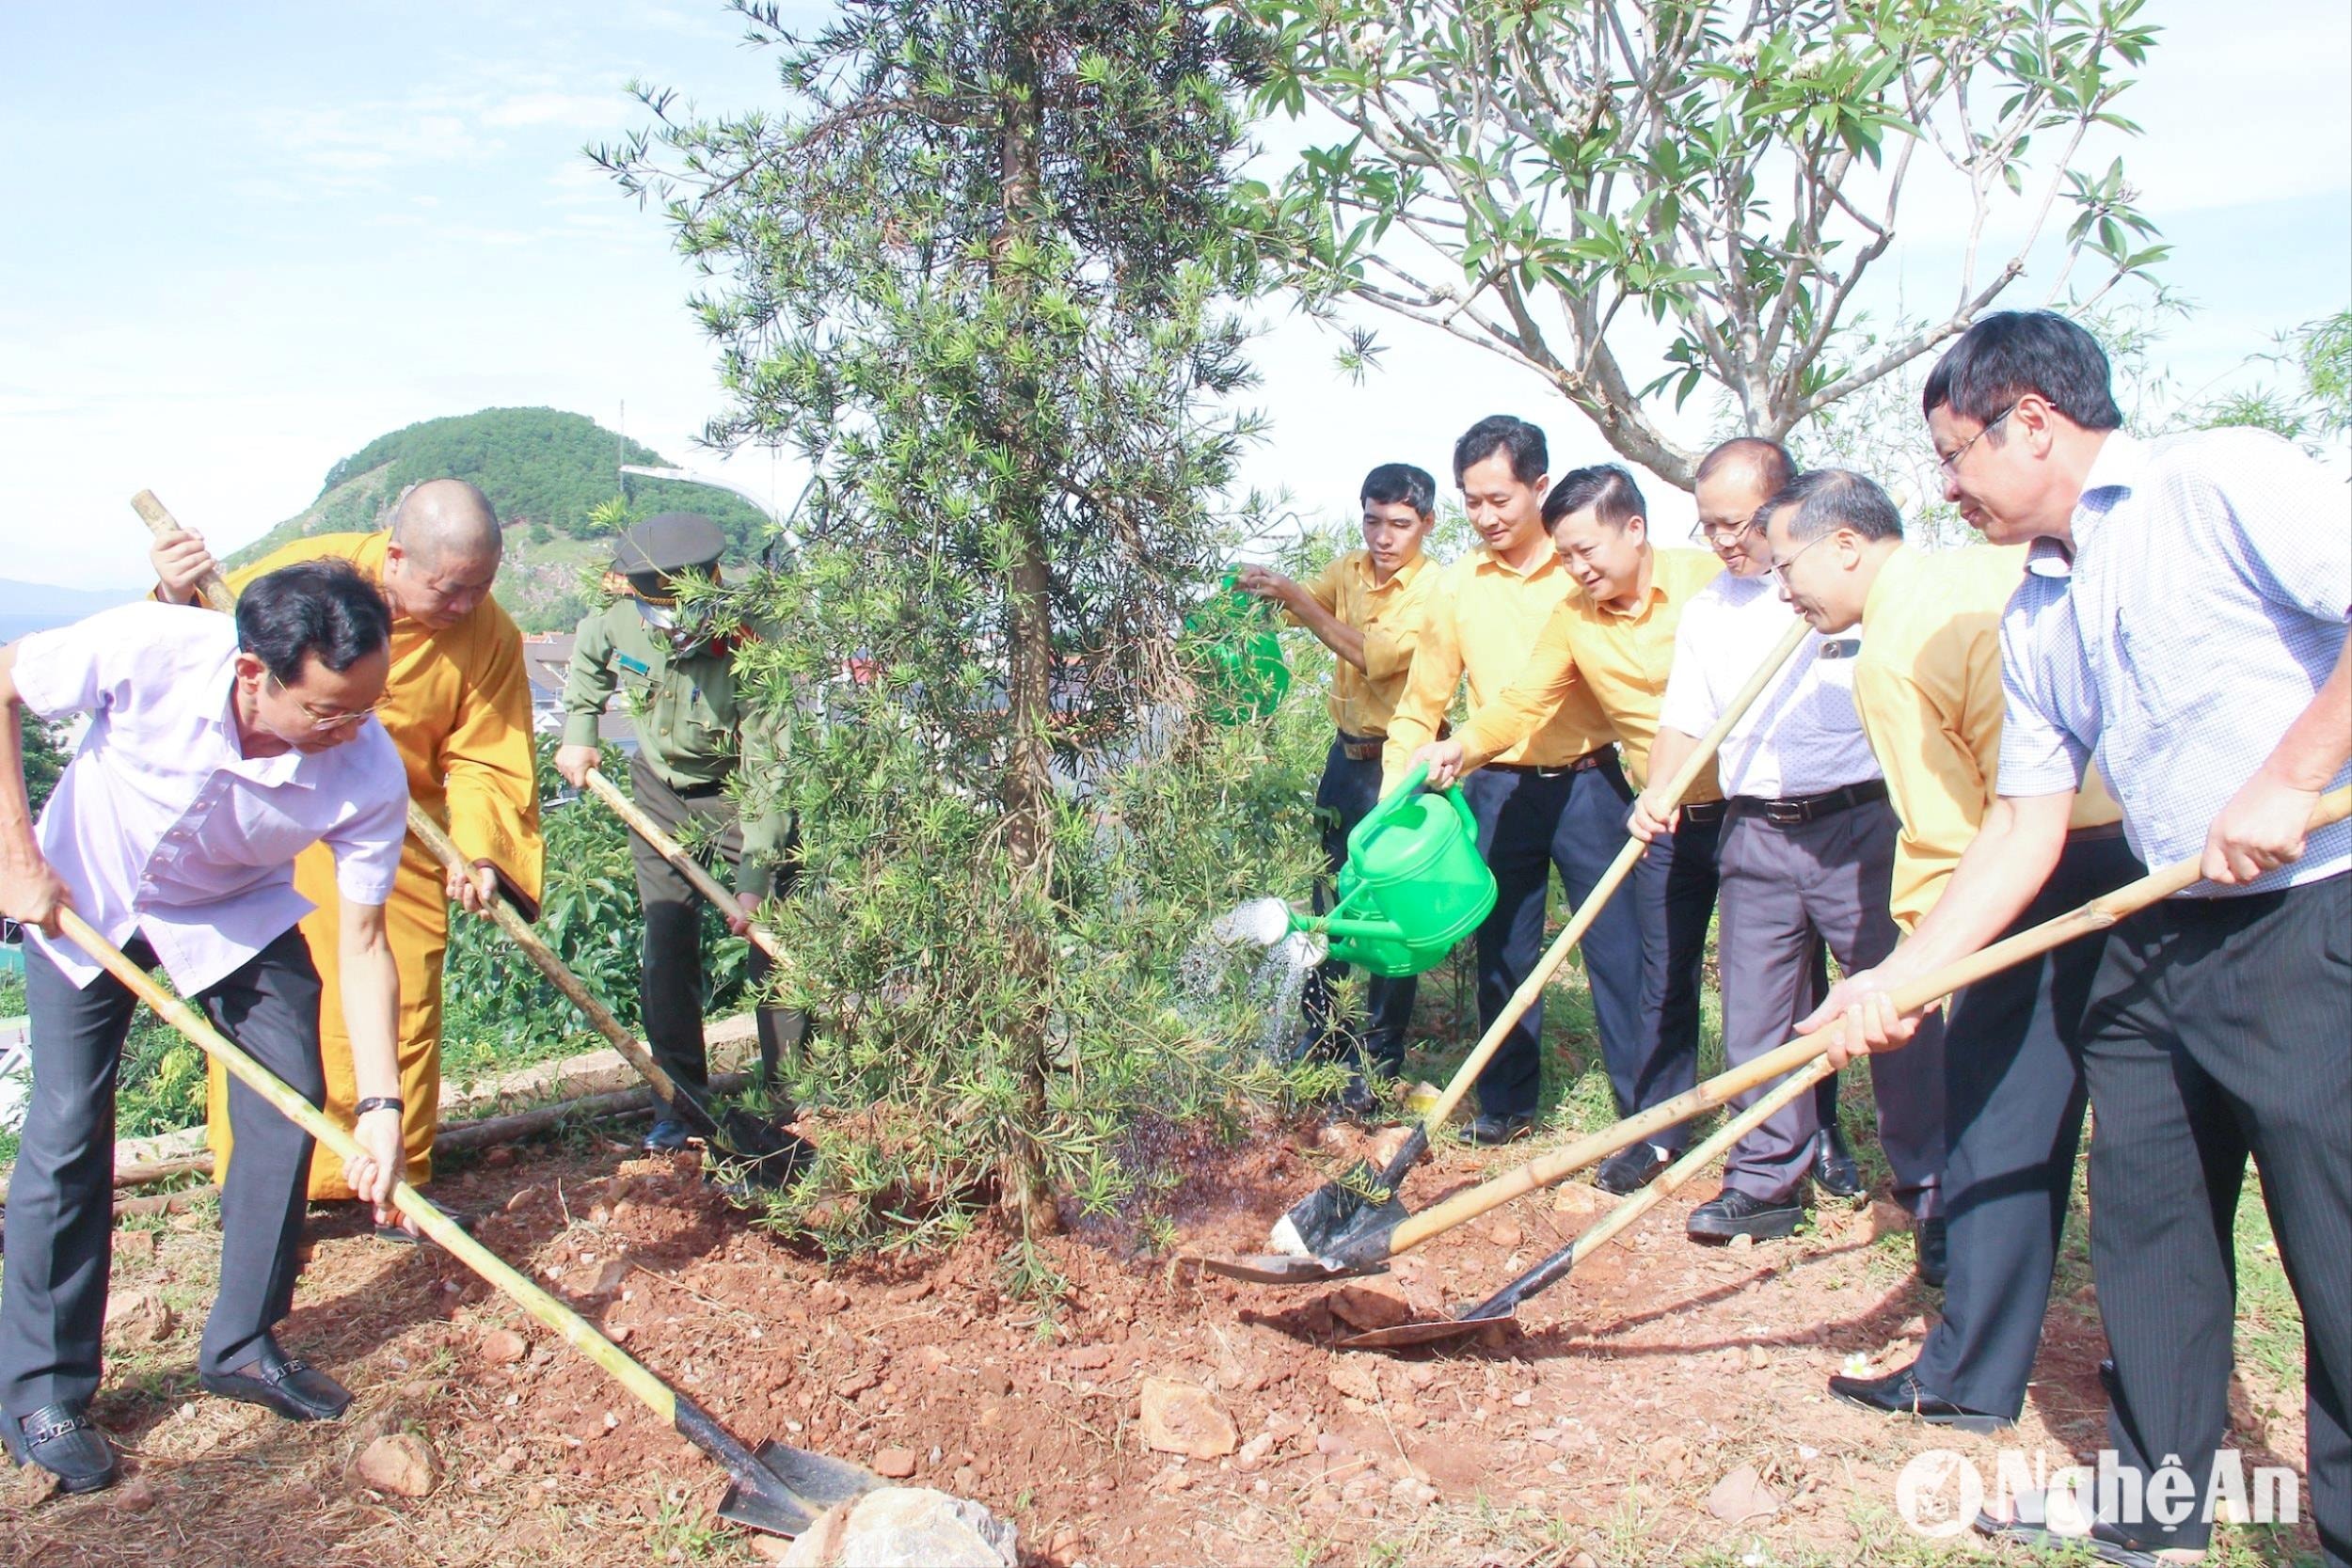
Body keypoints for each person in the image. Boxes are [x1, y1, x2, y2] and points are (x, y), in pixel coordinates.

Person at [1807, 311, 2349, 1565]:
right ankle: (2159, 1502)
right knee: (2149, 1221)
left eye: (1955, 456)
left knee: (2333, 1233)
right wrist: (1902, 974)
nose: (1944, 489)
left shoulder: (2218, 481)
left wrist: (2289, 774)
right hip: (2158, 930)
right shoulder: (2038, 609)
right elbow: (2020, 827)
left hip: (2312, 913)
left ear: (2033, 422)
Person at [0, 564, 413, 1494]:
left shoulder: (367, 766)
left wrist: (381, 1103)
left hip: (231, 909)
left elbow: (364, 940)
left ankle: (240, 1339)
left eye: (364, 708)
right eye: (327, 711)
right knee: (68, 1123)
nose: (349, 730)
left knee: (289, 1095)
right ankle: (42, 1389)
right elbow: (1, 679)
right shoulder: (149, 648)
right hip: (85, 892)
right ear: (252, 673)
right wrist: (15, 856)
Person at [1763, 463, 2132, 1390]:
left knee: (1997, 1126)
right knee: (2139, 1135)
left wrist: (1918, 975)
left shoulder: (1893, 649)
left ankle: (1964, 1376)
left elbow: (1946, 834)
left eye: (1785, 565)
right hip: (2134, 853)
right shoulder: (1987, 568)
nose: (1781, 589)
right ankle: (2153, 1363)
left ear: (1845, 544)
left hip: (2028, 874)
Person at [151, 480, 542, 1233]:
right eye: (450, 589)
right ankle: (273, 1189)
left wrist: (481, 852)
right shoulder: (307, 576)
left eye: (482, 588)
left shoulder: (490, 633)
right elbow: (209, 650)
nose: (466, 606)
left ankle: (388, 1178)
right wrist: (173, 592)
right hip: (280, 832)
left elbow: (488, 755)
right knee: (281, 1014)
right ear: (395, 556)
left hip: (396, 843)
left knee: (401, 1006)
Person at [1630, 439, 1918, 1236]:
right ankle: (1764, 1182)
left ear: (1784, 509)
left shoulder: (1844, 597)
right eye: (1708, 524)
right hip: (1754, 830)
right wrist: (1660, 792)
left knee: (1894, 1005)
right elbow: (1685, 721)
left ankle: (1931, 1189)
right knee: (1755, 1018)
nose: (1724, 540)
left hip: (1857, 826)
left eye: (1738, 523)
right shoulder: (1708, 610)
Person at [1412, 464, 1727, 1191]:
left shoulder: (1709, 583)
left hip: (1748, 804)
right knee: (1665, 975)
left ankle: (1804, 1141)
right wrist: (1461, 747)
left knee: (1747, 983)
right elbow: (1521, 703)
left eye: (1587, 552)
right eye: (1568, 555)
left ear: (1636, 528)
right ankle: (1652, 1132)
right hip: (1662, 812)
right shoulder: (1572, 618)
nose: (1576, 568)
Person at [1383, 417, 1632, 1146]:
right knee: (1505, 951)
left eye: (1501, 499)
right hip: (1494, 789)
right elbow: (1423, 701)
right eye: (1472, 501)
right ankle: (1506, 1104)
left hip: (1592, 782)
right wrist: (1394, 794)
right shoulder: (1457, 586)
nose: (1487, 517)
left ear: (1540, 486)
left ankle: (1643, 1109)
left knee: (1619, 947)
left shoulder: (1583, 565)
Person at [555, 513, 802, 1150]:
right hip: (660, 793)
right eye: (661, 610)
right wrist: (579, 734)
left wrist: (752, 877)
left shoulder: (752, 639)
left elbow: (769, 768)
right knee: (666, 942)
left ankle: (793, 1103)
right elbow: (588, 659)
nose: (674, 624)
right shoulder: (620, 620)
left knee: (776, 939)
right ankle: (681, 1103)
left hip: (740, 795)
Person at [1239, 463, 1441, 1114]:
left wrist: (1296, 598)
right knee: (1327, 896)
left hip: (1401, 763)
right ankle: (1320, 1037)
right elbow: (1298, 601)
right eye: (1373, 520)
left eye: (1400, 524)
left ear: (1427, 525)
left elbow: (1369, 654)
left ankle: (1376, 1062)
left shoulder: (1434, 591)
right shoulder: (1350, 569)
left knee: (1387, 914)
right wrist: (1256, 592)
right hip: (1344, 759)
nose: (1384, 537)